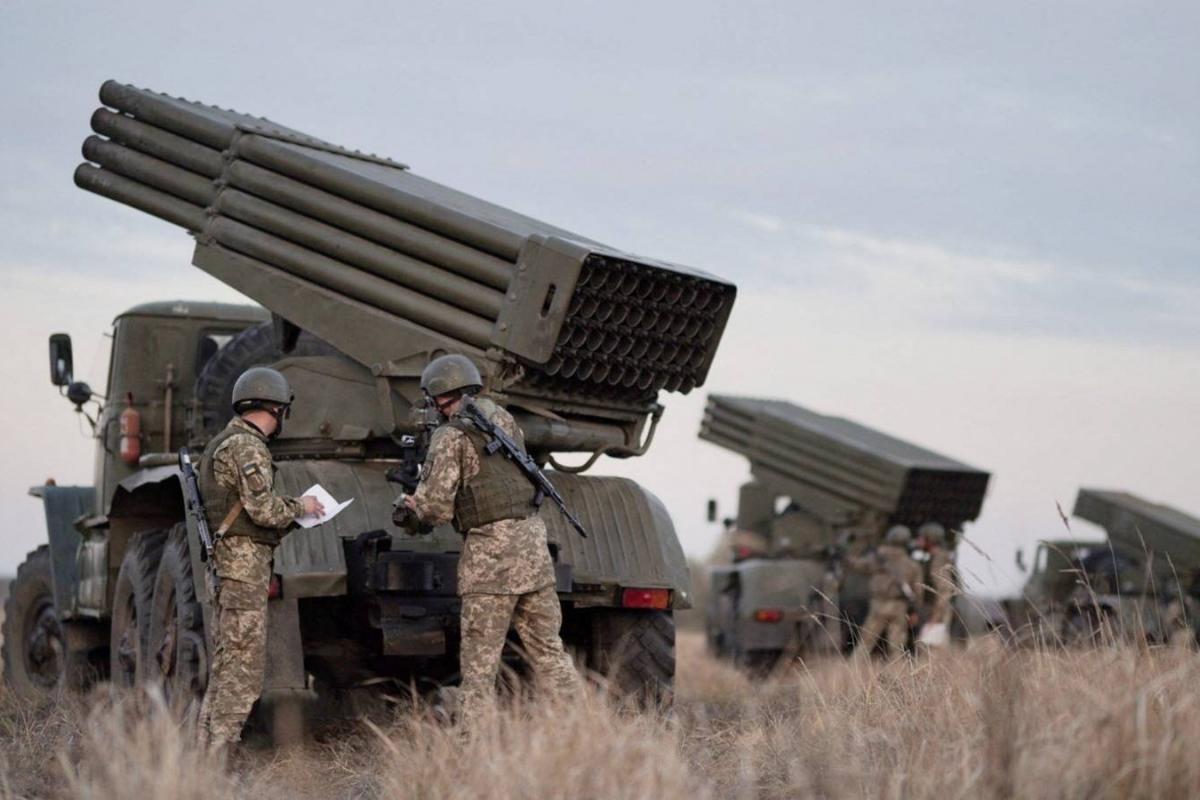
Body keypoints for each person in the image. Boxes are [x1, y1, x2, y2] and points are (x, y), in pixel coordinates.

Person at [398, 354, 582, 727]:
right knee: (550, 654)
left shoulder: (449, 436)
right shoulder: (503, 419)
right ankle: (584, 732)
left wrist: (409, 508)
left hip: (491, 563)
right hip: (532, 552)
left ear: (438, 396)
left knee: (479, 669)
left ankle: (473, 745)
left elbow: (435, 509)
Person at [196, 367, 324, 749]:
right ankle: (220, 756)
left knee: (225, 666)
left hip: (229, 568)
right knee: (242, 673)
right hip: (242, 570)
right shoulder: (247, 446)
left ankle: (206, 755)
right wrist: (303, 506)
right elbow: (263, 509)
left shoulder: (223, 442)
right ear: (276, 408)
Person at [845, 525, 924, 659]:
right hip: (899, 606)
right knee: (897, 647)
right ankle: (898, 671)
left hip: (878, 604)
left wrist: (848, 551)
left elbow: (856, 565)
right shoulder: (912, 565)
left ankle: (853, 670)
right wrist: (915, 612)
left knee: (865, 644)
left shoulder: (876, 557)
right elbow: (918, 592)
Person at [917, 522, 956, 647]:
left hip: (937, 614)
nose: (918, 541)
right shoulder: (935, 557)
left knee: (932, 650)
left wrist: (935, 617)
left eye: (922, 538)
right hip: (934, 611)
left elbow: (945, 590)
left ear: (930, 540)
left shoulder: (938, 560)